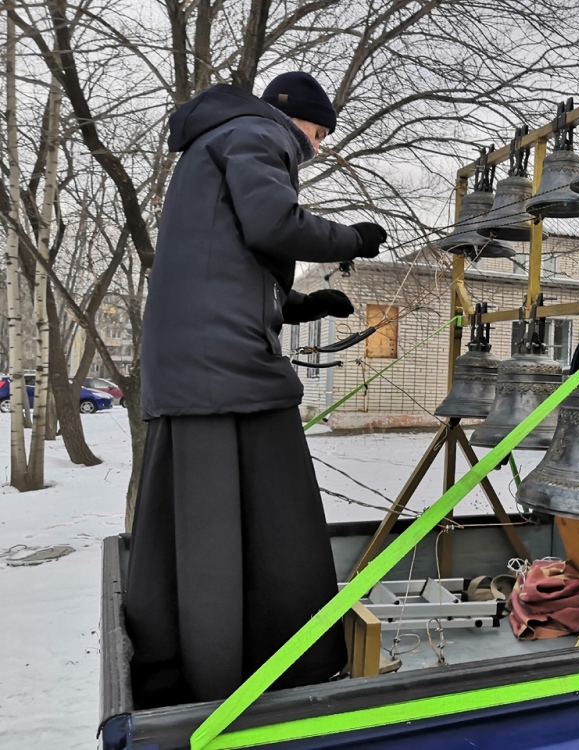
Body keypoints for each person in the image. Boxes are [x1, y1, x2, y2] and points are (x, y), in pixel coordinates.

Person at [125, 72, 387, 707]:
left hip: (198, 367)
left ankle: (204, 658)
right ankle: (277, 668)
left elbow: (226, 266)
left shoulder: (216, 144)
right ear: (291, 115)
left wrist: (300, 306)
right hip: (225, 376)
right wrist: (351, 238)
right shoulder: (254, 132)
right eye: (318, 132)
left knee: (209, 525)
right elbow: (274, 224)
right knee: (272, 520)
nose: (318, 147)